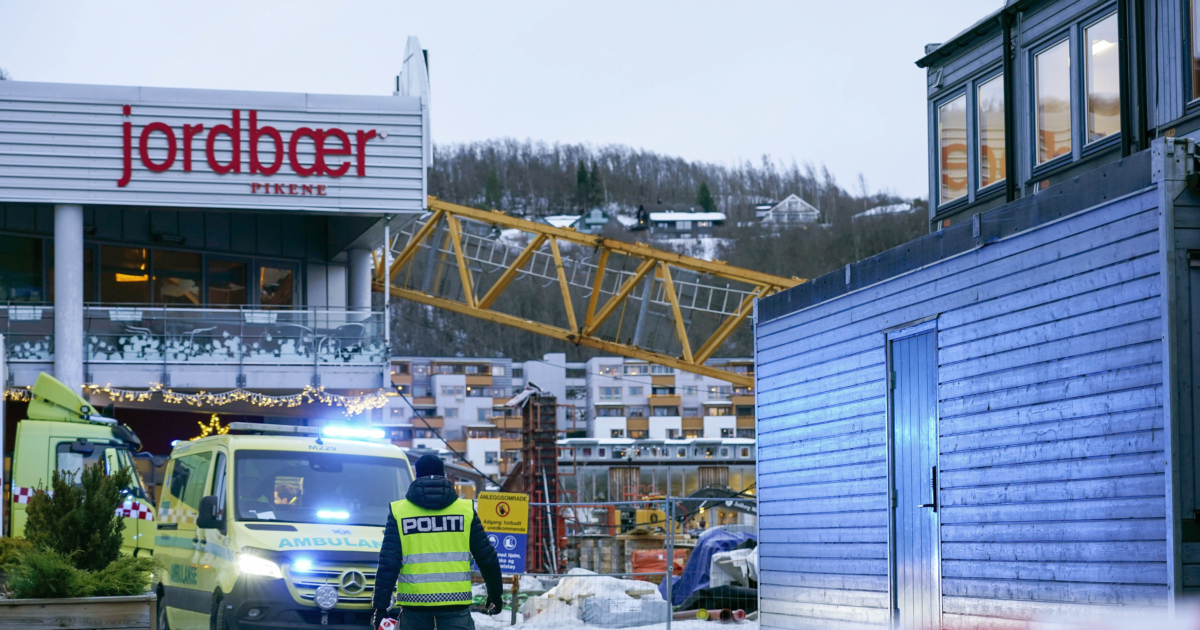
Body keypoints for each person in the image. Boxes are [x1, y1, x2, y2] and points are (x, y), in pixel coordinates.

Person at [372, 455, 503, 630]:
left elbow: (389, 562)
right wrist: (495, 593)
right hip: (455, 604)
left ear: (416, 476)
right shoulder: (464, 511)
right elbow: (487, 557)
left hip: (414, 605)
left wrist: (380, 606)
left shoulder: (400, 512)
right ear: (444, 476)